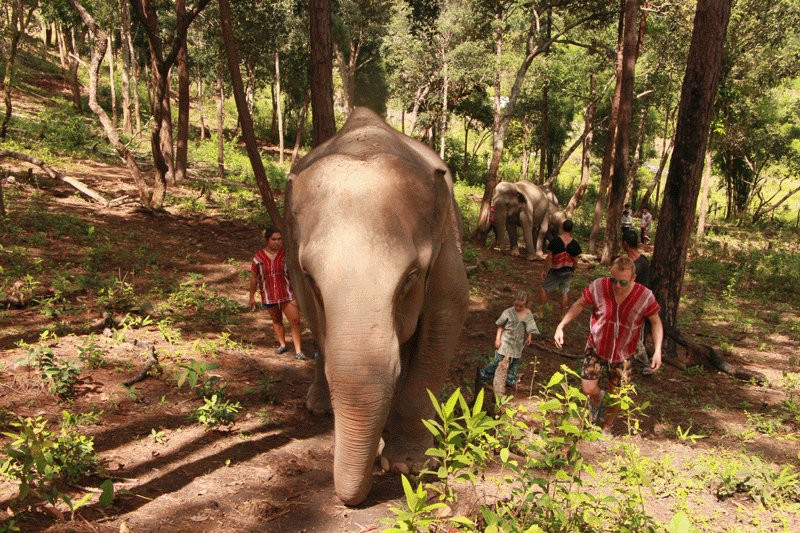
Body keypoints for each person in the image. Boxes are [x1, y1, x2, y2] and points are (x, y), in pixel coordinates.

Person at [554, 256, 663, 434]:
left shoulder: (644, 296)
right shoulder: (599, 286)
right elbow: (580, 304)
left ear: (633, 278)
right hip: (596, 347)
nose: (617, 286)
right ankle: (597, 399)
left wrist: (657, 350)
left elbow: (656, 322)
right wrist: (561, 326)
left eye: (623, 282)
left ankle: (608, 425)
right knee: (588, 388)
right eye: (614, 280)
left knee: (617, 394)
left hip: (624, 353)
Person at [248, 226, 310, 360]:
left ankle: (298, 350)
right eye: (274, 239)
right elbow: (254, 277)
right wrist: (251, 296)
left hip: (287, 293)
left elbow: (296, 274)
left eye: (279, 239)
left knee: (295, 321)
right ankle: (282, 344)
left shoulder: (286, 255)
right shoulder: (258, 258)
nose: (277, 242)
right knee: (277, 320)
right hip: (269, 295)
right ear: (267, 240)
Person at [478, 291, 539, 388]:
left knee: (514, 361)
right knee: (498, 360)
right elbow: (500, 326)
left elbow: (529, 325)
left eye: (521, 306)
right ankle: (484, 374)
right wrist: (497, 339)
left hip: (517, 342)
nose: (518, 308)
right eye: (516, 305)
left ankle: (510, 379)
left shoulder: (528, 313)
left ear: (526, 304)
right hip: (506, 341)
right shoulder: (508, 312)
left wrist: (529, 336)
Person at [621, 230, 653, 375]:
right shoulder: (642, 260)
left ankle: (645, 363)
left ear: (625, 244)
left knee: (633, 334)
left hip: (638, 304)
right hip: (637, 302)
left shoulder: (636, 265)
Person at [539, 219, 582, 317]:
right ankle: (562, 315)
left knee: (543, 288)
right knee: (565, 292)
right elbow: (575, 261)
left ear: (562, 228)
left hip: (555, 271)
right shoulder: (575, 243)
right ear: (572, 229)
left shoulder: (555, 240)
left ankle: (540, 312)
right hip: (568, 272)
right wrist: (573, 271)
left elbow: (549, 257)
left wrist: (544, 270)